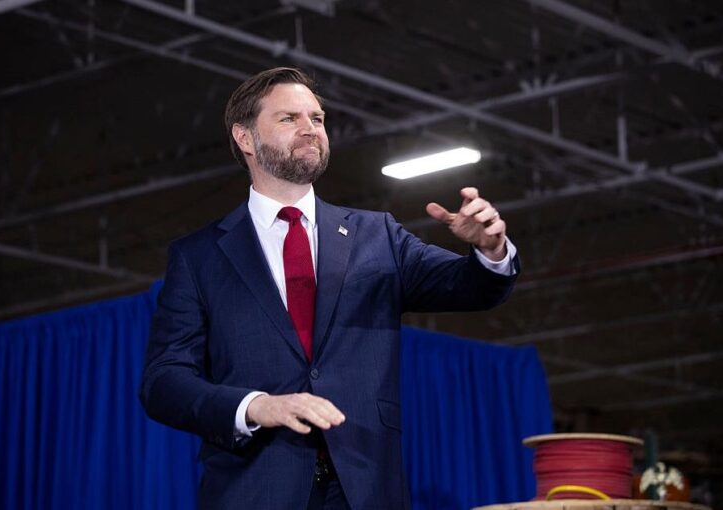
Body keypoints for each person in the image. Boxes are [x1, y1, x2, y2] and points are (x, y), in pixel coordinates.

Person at [140, 67, 519, 510]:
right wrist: (256, 406)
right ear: (245, 138)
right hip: (254, 490)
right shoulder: (199, 257)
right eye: (289, 118)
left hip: (366, 489)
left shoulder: (377, 236)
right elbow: (163, 383)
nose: (310, 128)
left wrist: (491, 249)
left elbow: (470, 287)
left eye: (317, 119)